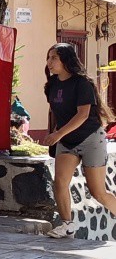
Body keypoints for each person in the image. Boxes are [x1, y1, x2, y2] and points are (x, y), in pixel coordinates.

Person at [43, 43, 116, 238]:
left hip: (91, 139)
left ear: (66, 60)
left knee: (98, 192)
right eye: (48, 58)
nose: (49, 62)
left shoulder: (82, 83)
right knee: (59, 182)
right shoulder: (51, 85)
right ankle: (67, 224)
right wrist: (56, 134)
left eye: (54, 58)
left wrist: (57, 135)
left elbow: (82, 115)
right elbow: (59, 114)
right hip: (67, 142)